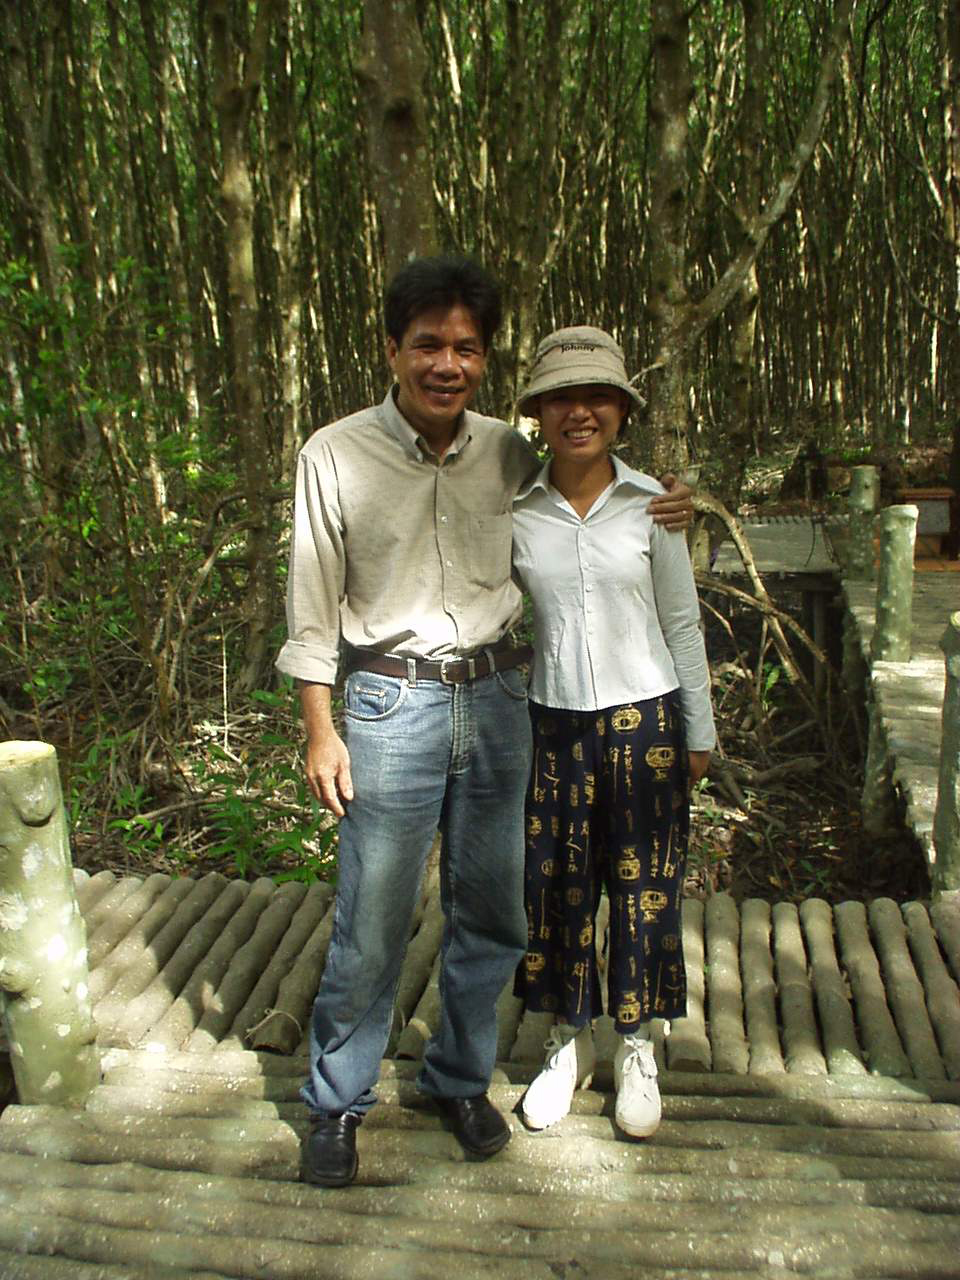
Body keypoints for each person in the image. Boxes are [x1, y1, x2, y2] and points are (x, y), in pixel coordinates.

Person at [276, 260, 692, 1187]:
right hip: (389, 704)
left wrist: (668, 502)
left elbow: (591, 497)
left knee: (496, 912)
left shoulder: (510, 451)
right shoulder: (334, 455)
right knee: (373, 918)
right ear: (393, 349)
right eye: (428, 344)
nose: (447, 364)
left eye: (466, 348)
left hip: (502, 699)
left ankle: (459, 1079)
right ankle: (337, 1102)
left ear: (485, 360)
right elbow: (310, 609)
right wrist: (320, 729)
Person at [510, 326, 715, 1139]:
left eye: (597, 397)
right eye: (561, 398)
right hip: (553, 721)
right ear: (538, 414)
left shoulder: (653, 506)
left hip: (647, 719)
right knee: (557, 887)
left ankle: (635, 1043)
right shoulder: (517, 510)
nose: (579, 413)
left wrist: (699, 728)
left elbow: (682, 621)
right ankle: (568, 1041)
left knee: (643, 890)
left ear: (623, 411)